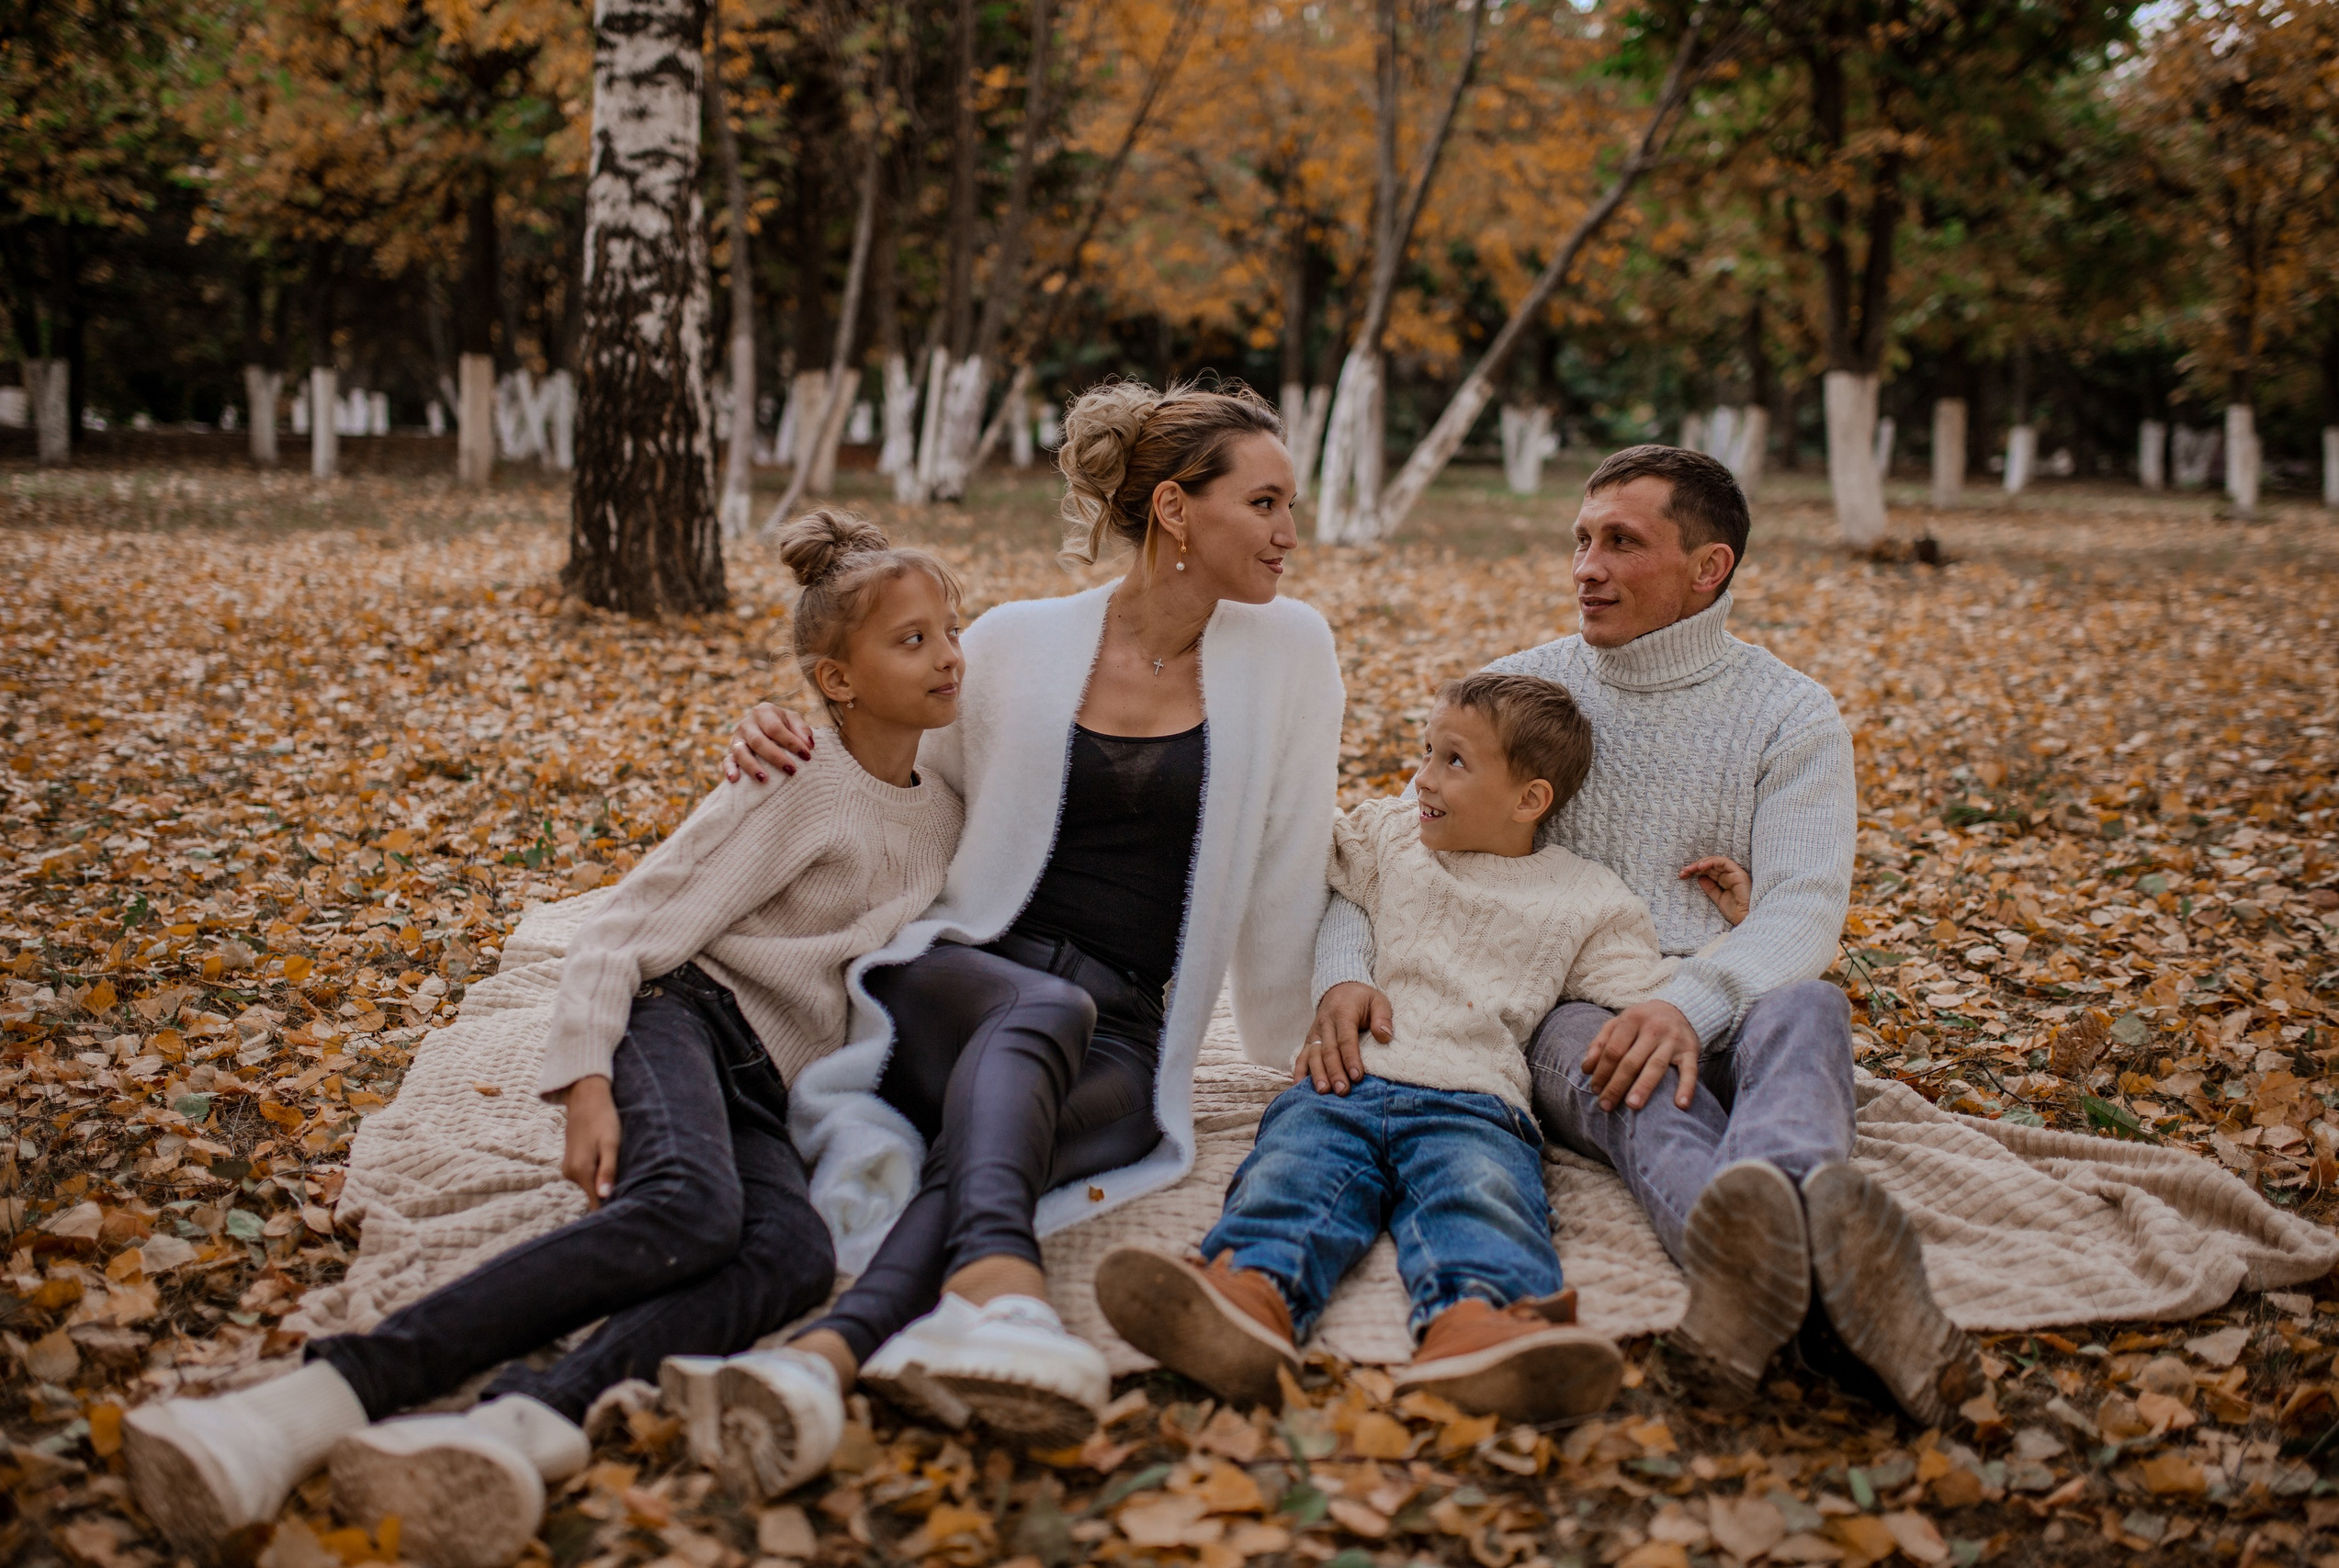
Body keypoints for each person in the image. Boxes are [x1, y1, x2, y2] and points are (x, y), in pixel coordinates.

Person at [123, 513, 969, 1568]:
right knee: (689, 1208)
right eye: (912, 639)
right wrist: (583, 1081)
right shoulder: (792, 777)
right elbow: (622, 927)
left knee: (792, 1258)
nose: (947, 658)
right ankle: (316, 1396)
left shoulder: (946, 807)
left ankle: (527, 1419)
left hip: (770, 1083)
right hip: (683, 1016)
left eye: (949, 631)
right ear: (832, 680)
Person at [726, 378, 1343, 1444]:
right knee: (1033, 1026)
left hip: (1126, 1025)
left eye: (1292, 506)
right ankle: (1007, 1296)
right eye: (1266, 503)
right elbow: (900, 779)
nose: (1291, 534)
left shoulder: (1294, 653)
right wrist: (788, 735)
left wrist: (1331, 989)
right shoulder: (1016, 641)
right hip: (960, 977)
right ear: (1175, 510)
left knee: (997, 1162)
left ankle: (830, 1356)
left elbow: (1300, 853)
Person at [1309, 446, 1979, 1427]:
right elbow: (1377, 850)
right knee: (1630, 1069)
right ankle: (1834, 1285)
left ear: (1708, 568)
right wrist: (1341, 970)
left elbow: (1800, 913)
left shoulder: (1789, 714)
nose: (1586, 566)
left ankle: (1781, 1236)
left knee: (1807, 1005)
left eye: (1621, 543)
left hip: (1721, 985)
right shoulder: (1518, 691)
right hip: (1573, 1004)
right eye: (1582, 540)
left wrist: (1692, 996)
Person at [1100, 673, 1757, 1423]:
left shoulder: (1587, 897)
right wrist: (1338, 975)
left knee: (1479, 1200)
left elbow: (1649, 993)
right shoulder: (1389, 834)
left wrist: (1735, 935)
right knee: (1291, 1176)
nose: (1422, 776)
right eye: (1426, 751)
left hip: (1473, 1099)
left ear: (1530, 799)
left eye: (1453, 761)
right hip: (1344, 1080)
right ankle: (1248, 1291)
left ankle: (1484, 1326)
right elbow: (1315, 868)